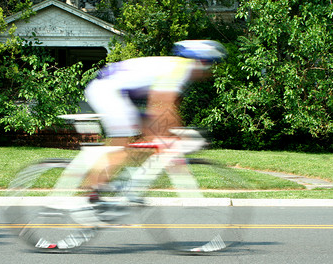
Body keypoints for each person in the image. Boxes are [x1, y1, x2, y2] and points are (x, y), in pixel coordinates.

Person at [84, 40, 227, 199]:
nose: (209, 73)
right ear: (202, 62)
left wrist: (170, 132)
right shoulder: (180, 69)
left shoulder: (177, 68)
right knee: (122, 144)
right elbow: (162, 106)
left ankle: (127, 185)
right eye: (211, 67)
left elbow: (166, 109)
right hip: (107, 91)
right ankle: (94, 187)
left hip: (118, 91)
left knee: (153, 137)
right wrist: (177, 134)